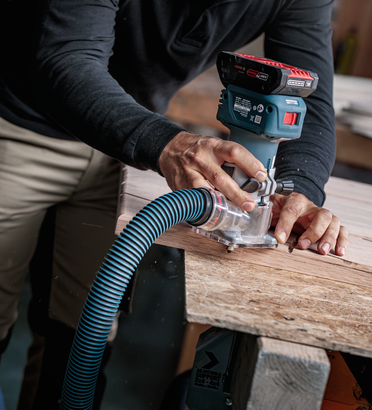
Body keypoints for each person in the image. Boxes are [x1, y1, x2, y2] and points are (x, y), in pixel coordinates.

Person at [0, 0, 347, 407]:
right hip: (18, 119)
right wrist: (166, 142)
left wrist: (296, 188)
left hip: (123, 146)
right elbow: (66, 58)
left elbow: (310, 97)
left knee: (82, 338)